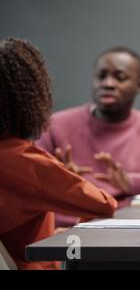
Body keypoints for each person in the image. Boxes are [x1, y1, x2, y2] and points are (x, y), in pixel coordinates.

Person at [36, 46, 140, 227]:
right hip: (64, 232)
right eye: (101, 76)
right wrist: (58, 179)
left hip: (123, 232)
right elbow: (28, 182)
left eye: (120, 77)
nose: (108, 83)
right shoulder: (56, 126)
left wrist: (132, 182)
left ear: (139, 86)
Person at [0, 38, 118, 270]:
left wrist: (51, 233)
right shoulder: (27, 162)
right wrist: (62, 175)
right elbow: (104, 205)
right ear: (30, 96)